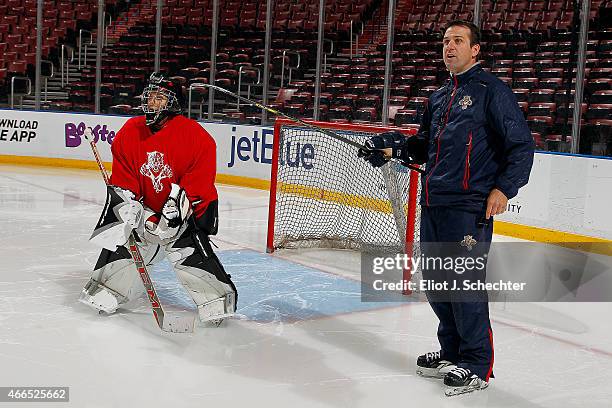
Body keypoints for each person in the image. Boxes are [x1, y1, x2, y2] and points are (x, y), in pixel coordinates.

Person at [359, 20, 535, 396]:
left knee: (464, 284)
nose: (449, 47)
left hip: (469, 206)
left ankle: (475, 362)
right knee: (438, 283)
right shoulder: (439, 96)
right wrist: (391, 147)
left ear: (475, 50)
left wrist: (504, 188)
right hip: (434, 201)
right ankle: (452, 351)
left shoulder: (493, 92)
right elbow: (423, 145)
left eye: (458, 41)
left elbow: (521, 146)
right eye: (445, 41)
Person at [79, 72, 237, 325]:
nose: (152, 103)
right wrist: (128, 203)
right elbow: (125, 176)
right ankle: (108, 291)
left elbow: (199, 184)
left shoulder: (196, 137)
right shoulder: (131, 131)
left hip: (189, 212)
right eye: (150, 97)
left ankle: (216, 301)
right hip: (149, 207)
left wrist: (175, 212)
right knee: (127, 236)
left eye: (159, 98)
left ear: (173, 104)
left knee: (187, 247)